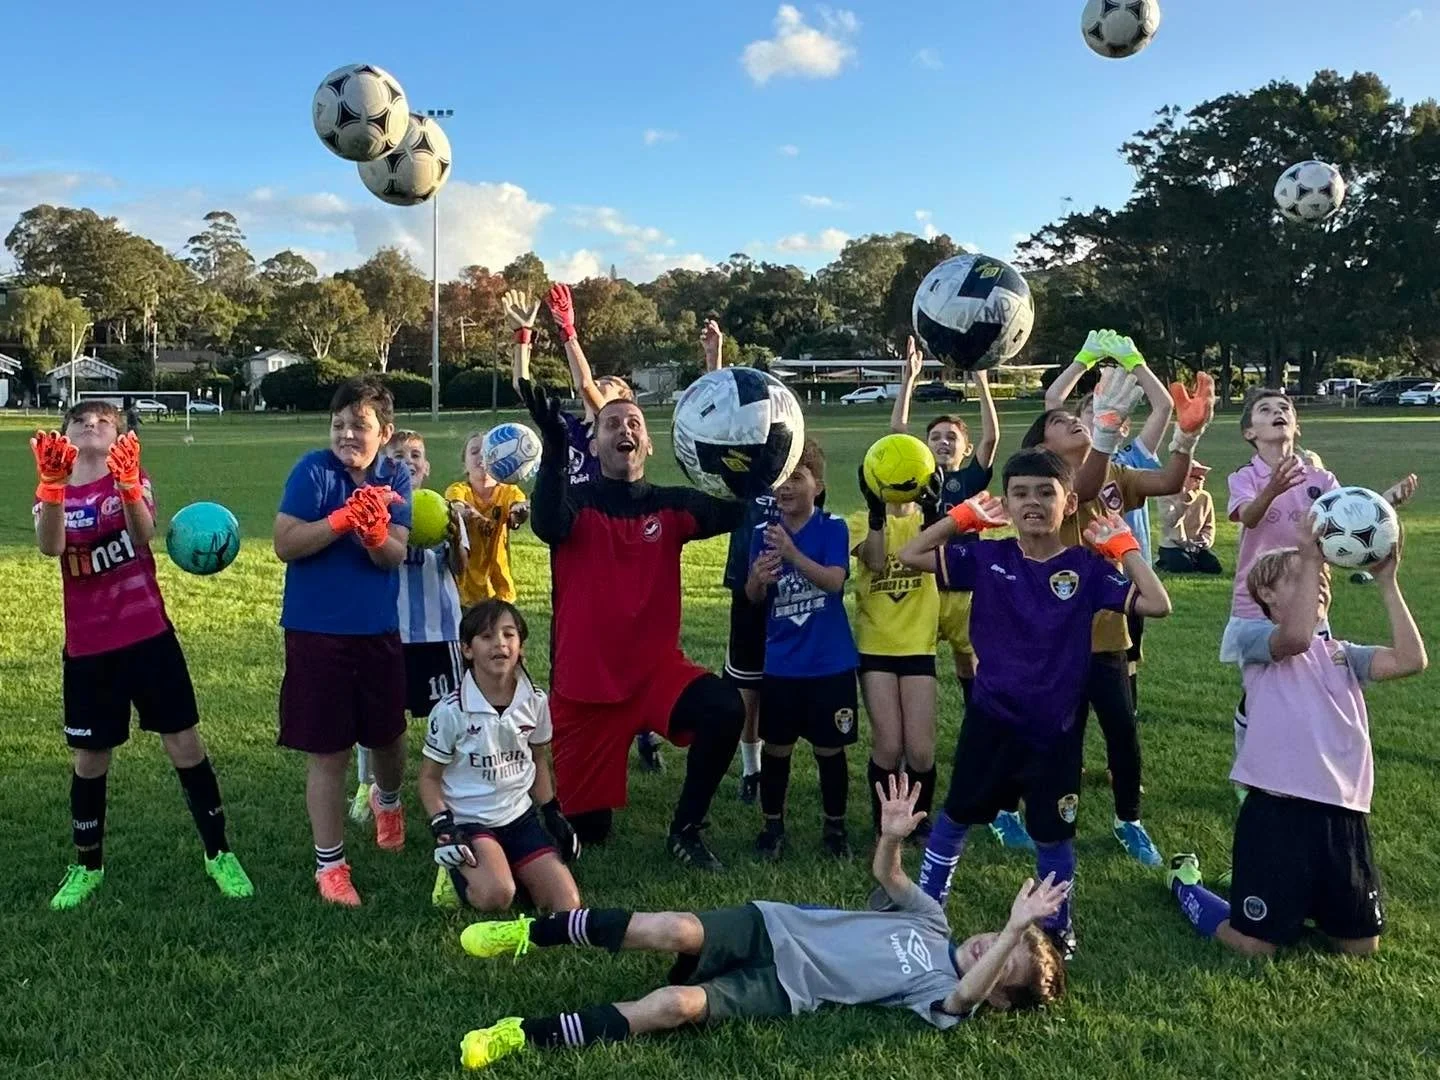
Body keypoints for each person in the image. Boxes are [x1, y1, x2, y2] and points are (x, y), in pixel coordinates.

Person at [452, 773, 1069, 1070]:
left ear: (1000, 997)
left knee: (676, 1006)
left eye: (1005, 961)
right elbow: (889, 878)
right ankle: (530, 933)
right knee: (671, 929)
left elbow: (964, 996)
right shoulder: (934, 922)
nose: (993, 942)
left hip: (787, 988)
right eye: (1004, 938)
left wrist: (1019, 929)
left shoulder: (944, 996)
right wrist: (890, 838)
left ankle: (523, 1032)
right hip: (774, 925)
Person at [897, 448, 1173, 958]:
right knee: (957, 815)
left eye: (1046, 492)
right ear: (1005, 502)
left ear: (1069, 505)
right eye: (1020, 492)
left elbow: (1158, 603)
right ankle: (928, 910)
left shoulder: (1086, 569)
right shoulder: (989, 557)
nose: (1032, 502)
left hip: (1056, 731)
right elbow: (911, 555)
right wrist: (958, 520)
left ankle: (1056, 926)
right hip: (991, 722)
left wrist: (1125, 547)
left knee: (1053, 834)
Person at [1166, 526, 1426, 956]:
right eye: (1301, 576)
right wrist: (1310, 557)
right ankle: (1185, 884)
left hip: (1342, 813)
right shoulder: (1249, 639)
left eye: (1323, 579)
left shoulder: (1344, 654)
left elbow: (1411, 660)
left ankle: (1297, 898)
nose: (1319, 582)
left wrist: (1387, 582)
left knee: (1360, 945)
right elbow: (1296, 638)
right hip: (1277, 811)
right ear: (1266, 593)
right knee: (1255, 945)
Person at [519, 379, 746, 871]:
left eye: (634, 423)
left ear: (647, 444)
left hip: (655, 676)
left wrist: (760, 459)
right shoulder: (575, 502)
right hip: (586, 692)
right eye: (611, 423)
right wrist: (556, 449)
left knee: (725, 706)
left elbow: (740, 507)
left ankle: (686, 828)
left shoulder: (671, 505)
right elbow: (548, 524)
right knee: (590, 831)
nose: (624, 428)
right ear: (595, 442)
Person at [33, 405, 253, 910]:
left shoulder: (130, 476)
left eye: (103, 422)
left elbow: (143, 533)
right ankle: (87, 864)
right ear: (63, 436)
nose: (91, 427)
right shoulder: (54, 485)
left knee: (185, 744)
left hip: (149, 637)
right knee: (90, 758)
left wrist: (129, 483)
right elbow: (51, 547)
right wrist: (50, 485)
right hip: (89, 649)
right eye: (81, 422)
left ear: (122, 437)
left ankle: (218, 852)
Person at [1011, 357, 1213, 865]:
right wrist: (1100, 440)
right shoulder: (1044, 487)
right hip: (1055, 638)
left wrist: (1186, 439)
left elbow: (1168, 481)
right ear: (1041, 449)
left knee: (1122, 730)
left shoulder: (1115, 472)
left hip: (1107, 633)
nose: (1071, 421)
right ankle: (1036, 814)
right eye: (1059, 423)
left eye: (1075, 419)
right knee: (1059, 735)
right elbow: (1077, 493)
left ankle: (1129, 820)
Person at [507, 285, 664, 773]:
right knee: (576, 642)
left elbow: (589, 390)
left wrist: (570, 331)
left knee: (629, 639)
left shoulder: (618, 430)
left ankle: (645, 731)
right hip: (572, 544)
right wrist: (524, 334)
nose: (597, 391)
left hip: (616, 542)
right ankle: (577, 733)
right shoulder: (572, 433)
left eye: (612, 389)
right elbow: (523, 385)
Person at [272, 375, 413, 906]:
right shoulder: (313, 470)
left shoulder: (397, 475)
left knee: (388, 735)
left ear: (385, 432)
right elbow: (285, 543)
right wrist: (340, 519)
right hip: (316, 633)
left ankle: (389, 800)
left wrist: (375, 532)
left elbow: (395, 553)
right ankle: (330, 866)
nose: (347, 434)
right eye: (339, 424)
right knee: (327, 752)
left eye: (360, 425)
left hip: (376, 629)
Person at [1220, 388, 1416, 742]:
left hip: (1312, 598)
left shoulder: (1320, 480)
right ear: (1250, 432)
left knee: (1308, 678)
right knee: (1263, 685)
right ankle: (1247, 756)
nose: (1277, 412)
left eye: (1285, 408)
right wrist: (1273, 488)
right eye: (1265, 410)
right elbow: (1248, 516)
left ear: (1297, 426)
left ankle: (1298, 758)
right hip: (1259, 603)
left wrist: (1386, 503)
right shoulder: (1244, 477)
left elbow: (1347, 520)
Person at [420, 600, 581, 913]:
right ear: (467, 650)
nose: (500, 644)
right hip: (469, 821)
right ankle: (456, 872)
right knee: (498, 895)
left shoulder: (535, 700)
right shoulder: (451, 711)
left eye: (509, 635)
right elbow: (428, 778)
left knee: (566, 905)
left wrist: (551, 812)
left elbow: (538, 760)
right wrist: (443, 826)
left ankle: (504, 862)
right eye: (487, 637)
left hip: (519, 818)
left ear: (520, 646)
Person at [1046, 330, 1174, 707]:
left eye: (1111, 412)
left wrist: (1135, 364)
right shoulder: (1062, 469)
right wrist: (1083, 360)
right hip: (1077, 580)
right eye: (1091, 414)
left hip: (1131, 576)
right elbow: (1054, 400)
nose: (1101, 419)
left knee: (1124, 662)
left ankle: (1125, 720)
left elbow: (1164, 407)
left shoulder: (1132, 458)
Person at [744, 439, 858, 860]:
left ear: (819, 484)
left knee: (830, 749)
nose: (786, 488)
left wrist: (793, 554)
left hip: (829, 663)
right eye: (780, 481)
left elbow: (833, 581)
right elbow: (755, 596)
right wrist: (758, 578)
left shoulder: (833, 527)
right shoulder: (763, 534)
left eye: (796, 477)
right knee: (777, 748)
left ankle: (835, 829)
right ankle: (772, 827)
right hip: (782, 665)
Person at [351, 429, 469, 823]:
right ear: (385, 464)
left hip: (440, 633)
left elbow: (460, 570)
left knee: (452, 716)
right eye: (398, 455)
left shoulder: (443, 508)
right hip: (389, 630)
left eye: (416, 454)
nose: (408, 461)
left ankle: (454, 786)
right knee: (378, 719)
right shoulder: (378, 507)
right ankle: (369, 785)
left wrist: (455, 537)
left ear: (428, 465)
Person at [890, 335, 998, 701]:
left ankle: (978, 720)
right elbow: (897, 435)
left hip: (966, 587)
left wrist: (981, 380)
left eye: (951, 437)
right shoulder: (918, 479)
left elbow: (991, 438)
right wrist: (908, 381)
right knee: (920, 659)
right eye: (935, 436)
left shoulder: (968, 479)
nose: (943, 442)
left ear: (964, 447)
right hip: (925, 585)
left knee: (970, 661)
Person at [853, 464, 939, 840]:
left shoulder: (926, 521)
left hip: (918, 645)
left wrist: (936, 514)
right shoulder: (858, 521)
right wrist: (875, 514)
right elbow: (873, 559)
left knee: (919, 751)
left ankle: (918, 820)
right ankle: (884, 823)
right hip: (877, 645)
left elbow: (941, 559)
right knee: (888, 746)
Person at [444, 430, 528, 606]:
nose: (481, 456)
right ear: (464, 465)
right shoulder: (458, 490)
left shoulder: (509, 492)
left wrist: (519, 512)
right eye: (474, 452)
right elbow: (457, 505)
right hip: (465, 593)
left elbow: (517, 510)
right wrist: (460, 512)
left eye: (489, 451)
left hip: (500, 590)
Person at [1156, 463, 1221, 574]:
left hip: (1196, 546)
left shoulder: (1205, 497)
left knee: (1213, 567)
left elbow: (1209, 525)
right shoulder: (1166, 495)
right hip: (1172, 544)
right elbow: (1171, 522)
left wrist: (1205, 540)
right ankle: (1161, 561)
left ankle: (1193, 560)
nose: (1200, 481)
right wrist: (1184, 502)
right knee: (1183, 566)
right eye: (1195, 478)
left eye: (1201, 478)